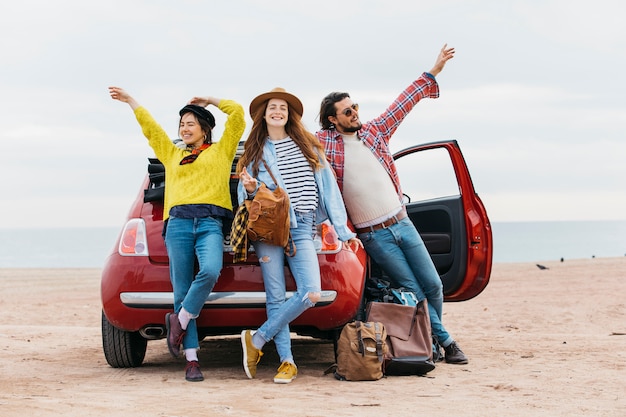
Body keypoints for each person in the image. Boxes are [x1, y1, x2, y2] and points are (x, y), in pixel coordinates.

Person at [315, 44, 469, 365]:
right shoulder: (325, 142)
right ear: (333, 119)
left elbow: (404, 103)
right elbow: (290, 136)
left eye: (354, 106)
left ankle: (432, 341)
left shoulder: (375, 132)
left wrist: (434, 69)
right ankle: (447, 343)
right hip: (375, 236)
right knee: (412, 288)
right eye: (347, 111)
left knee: (434, 286)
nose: (354, 112)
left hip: (403, 222)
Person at [109, 87, 246, 381]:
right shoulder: (172, 154)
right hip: (179, 226)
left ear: (205, 129)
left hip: (209, 223)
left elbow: (237, 115)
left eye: (190, 123)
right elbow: (151, 130)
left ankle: (180, 319)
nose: (184, 128)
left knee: (210, 270)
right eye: (182, 124)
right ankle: (192, 360)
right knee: (181, 291)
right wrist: (133, 102)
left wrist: (210, 99)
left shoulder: (222, 151)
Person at [237, 87, 362, 383]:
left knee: (310, 293)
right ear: (264, 115)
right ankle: (287, 362)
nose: (277, 111)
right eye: (272, 108)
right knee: (276, 296)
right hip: (269, 229)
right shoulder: (255, 150)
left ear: (289, 114)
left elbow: (328, 189)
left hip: (303, 227)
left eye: (282, 107)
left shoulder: (308, 145)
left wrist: (343, 230)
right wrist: (252, 188)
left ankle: (256, 340)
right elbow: (244, 194)